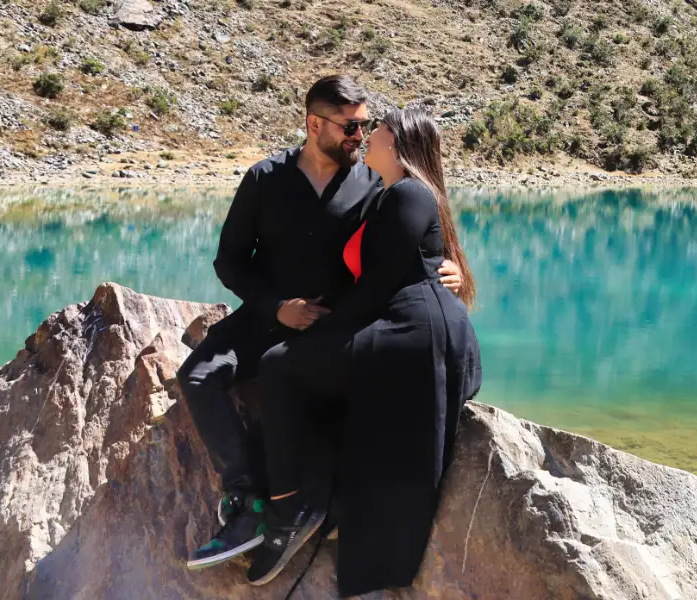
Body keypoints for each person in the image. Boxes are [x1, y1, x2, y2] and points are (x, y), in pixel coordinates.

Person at [179, 76, 465, 571]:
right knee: (198, 377)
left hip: (336, 325)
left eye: (366, 126)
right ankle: (247, 502)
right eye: (352, 126)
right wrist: (276, 306)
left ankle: (309, 503)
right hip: (266, 317)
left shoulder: (376, 182)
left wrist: (451, 269)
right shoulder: (264, 178)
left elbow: (420, 227)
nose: (361, 135)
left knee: (300, 390)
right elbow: (229, 263)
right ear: (314, 124)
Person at [246, 107, 482, 594]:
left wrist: (317, 330)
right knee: (299, 370)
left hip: (411, 333)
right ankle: (315, 497)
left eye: (375, 130)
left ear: (395, 143)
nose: (365, 136)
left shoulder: (409, 193)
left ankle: (290, 508)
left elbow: (379, 285)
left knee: (279, 367)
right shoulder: (390, 194)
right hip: (400, 325)